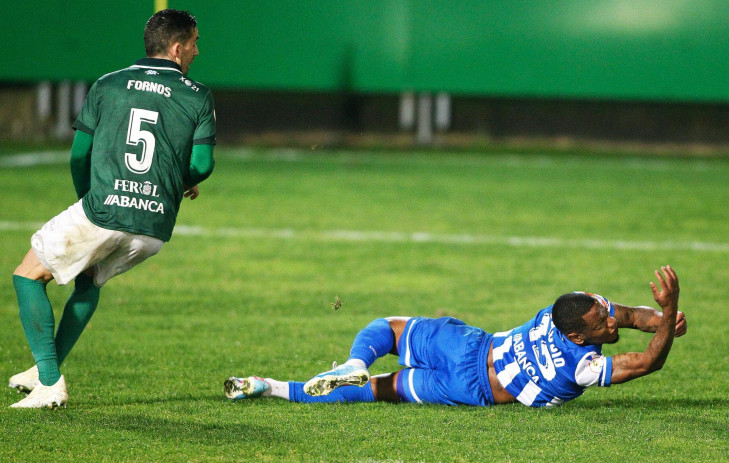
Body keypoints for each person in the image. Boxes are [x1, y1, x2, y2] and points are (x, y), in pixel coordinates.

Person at [8, 9, 216, 409]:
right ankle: (41, 371)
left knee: (27, 276)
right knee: (88, 281)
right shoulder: (198, 94)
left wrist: (88, 201)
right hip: (154, 228)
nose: (196, 51)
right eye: (193, 42)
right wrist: (176, 181)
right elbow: (202, 166)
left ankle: (50, 382)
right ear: (176, 48)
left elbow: (79, 155)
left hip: (106, 210)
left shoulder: (108, 85)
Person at [225, 266, 686, 407]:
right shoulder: (583, 366)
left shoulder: (567, 310)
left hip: (468, 346)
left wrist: (665, 318)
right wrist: (665, 315)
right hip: (470, 387)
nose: (612, 320)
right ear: (577, 335)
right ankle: (284, 385)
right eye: (603, 322)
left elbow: (630, 317)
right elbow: (649, 361)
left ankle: (298, 377)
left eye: (606, 314)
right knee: (379, 393)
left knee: (388, 329)